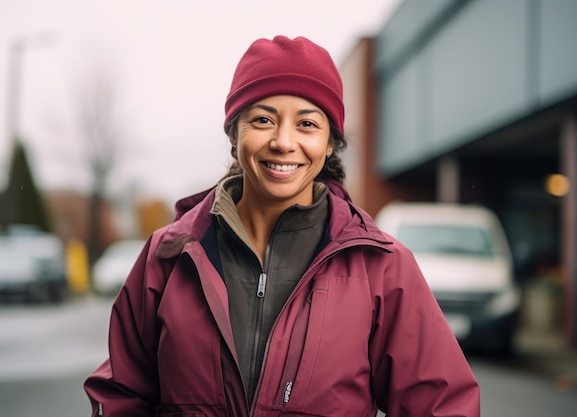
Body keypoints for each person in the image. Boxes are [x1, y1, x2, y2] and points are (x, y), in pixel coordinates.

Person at [84, 35, 480, 417]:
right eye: (262, 120)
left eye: (307, 124)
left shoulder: (381, 266)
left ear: (329, 144)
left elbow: (441, 406)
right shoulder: (168, 256)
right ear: (234, 134)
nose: (283, 142)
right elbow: (123, 395)